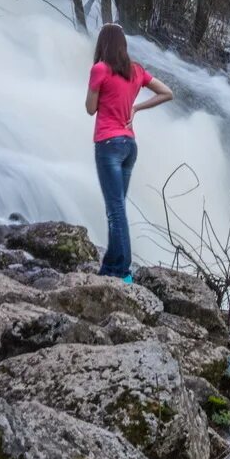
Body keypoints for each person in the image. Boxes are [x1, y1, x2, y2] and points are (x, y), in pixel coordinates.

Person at [85, 23, 173, 281]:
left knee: (115, 210)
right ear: (123, 45)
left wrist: (97, 91)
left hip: (108, 145)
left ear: (103, 44)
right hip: (129, 145)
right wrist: (135, 108)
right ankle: (110, 266)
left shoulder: (99, 69)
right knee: (117, 208)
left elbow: (90, 109)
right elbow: (167, 93)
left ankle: (124, 271)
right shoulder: (136, 71)